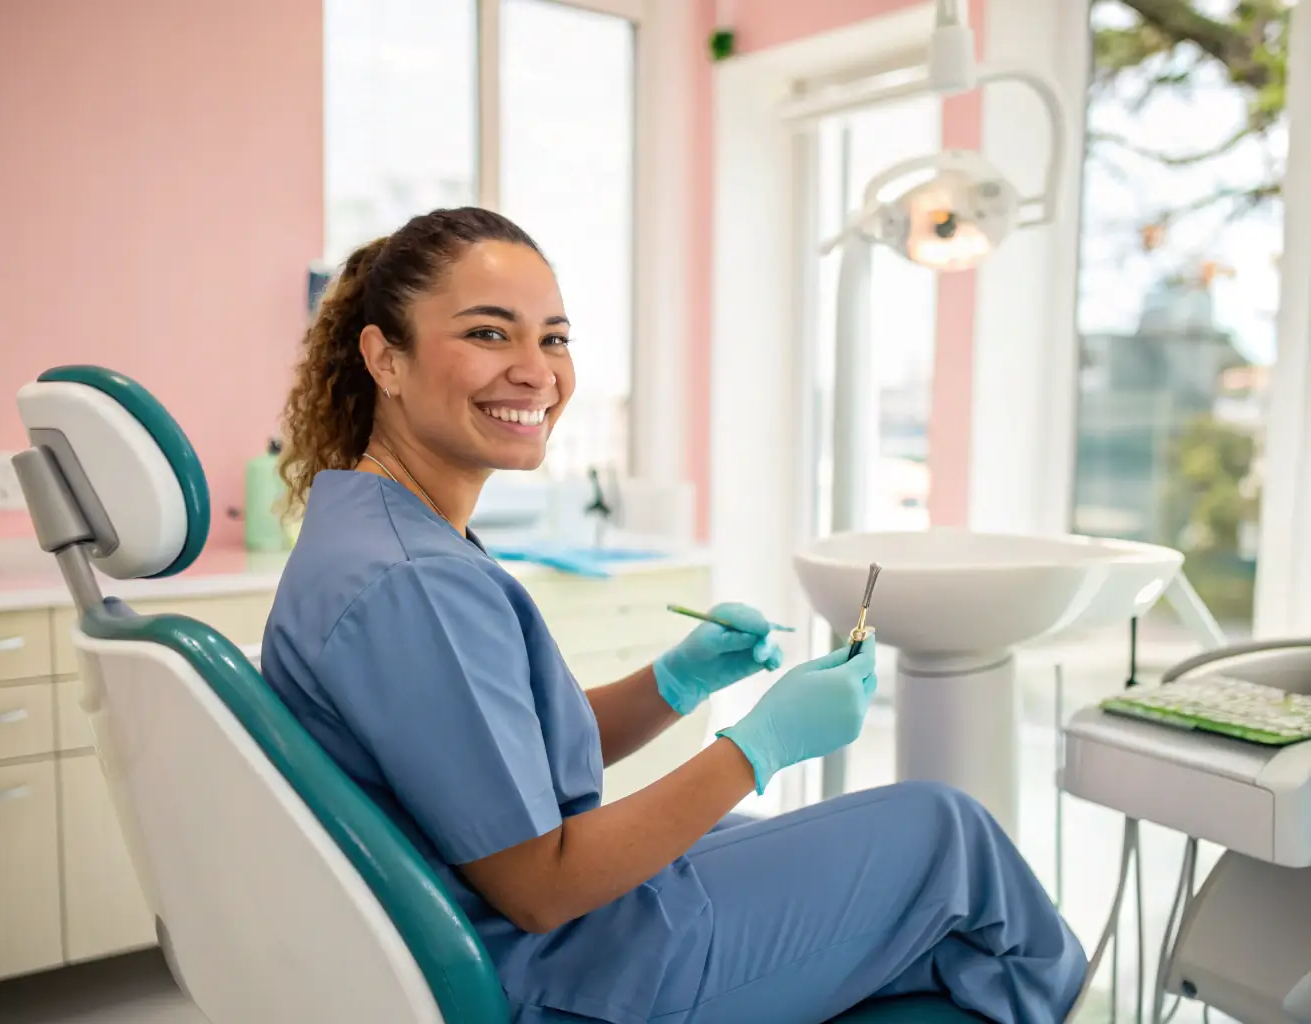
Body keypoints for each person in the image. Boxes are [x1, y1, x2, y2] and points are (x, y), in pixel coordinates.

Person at [260, 207, 1086, 1024]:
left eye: (553, 338)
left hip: (526, 935)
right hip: (560, 968)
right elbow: (541, 886)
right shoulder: (413, 583)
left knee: (896, 906)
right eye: (487, 334)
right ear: (384, 359)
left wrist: (674, 682)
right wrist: (757, 745)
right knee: (947, 838)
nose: (535, 370)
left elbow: (497, 758)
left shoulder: (375, 531)